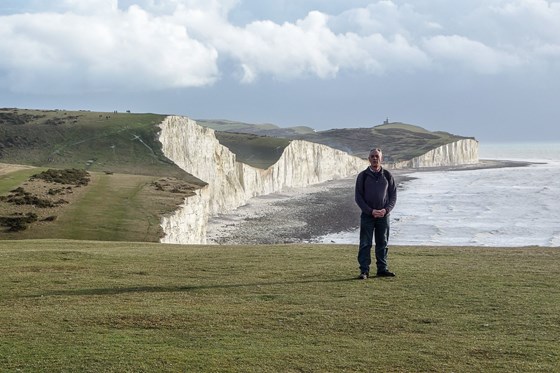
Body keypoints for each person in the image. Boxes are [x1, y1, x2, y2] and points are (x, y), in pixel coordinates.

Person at [354, 148, 397, 279]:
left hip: (384, 216)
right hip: (367, 216)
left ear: (381, 158)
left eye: (377, 156)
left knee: (382, 242)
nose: (374, 158)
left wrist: (386, 210)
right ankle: (364, 271)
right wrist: (370, 211)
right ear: (369, 159)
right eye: (372, 156)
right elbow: (358, 197)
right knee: (365, 243)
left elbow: (393, 196)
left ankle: (382, 269)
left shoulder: (387, 175)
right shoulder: (363, 176)